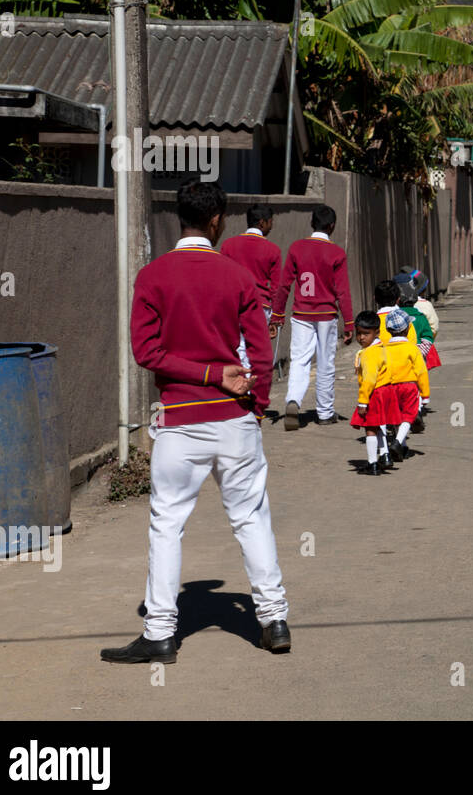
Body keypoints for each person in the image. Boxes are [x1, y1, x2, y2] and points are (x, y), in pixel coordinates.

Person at [103, 180, 288, 664]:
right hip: (234, 420)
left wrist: (201, 374)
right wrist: (258, 402)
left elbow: (147, 353)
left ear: (178, 218)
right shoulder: (237, 276)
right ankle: (273, 620)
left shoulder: (153, 276)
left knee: (167, 525)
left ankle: (161, 632)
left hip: (179, 422)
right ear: (216, 220)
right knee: (251, 518)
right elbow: (261, 351)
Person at [272, 205, 354, 430]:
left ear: (312, 223)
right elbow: (343, 291)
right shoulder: (336, 253)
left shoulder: (297, 248)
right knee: (326, 362)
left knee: (299, 359)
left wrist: (277, 314)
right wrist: (349, 322)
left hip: (301, 313)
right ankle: (325, 412)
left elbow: (284, 284)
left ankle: (293, 400)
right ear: (332, 226)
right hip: (326, 314)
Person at [222, 204, 283, 370]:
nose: (272, 226)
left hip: (233, 304)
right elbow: (276, 287)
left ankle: (240, 384)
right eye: (271, 222)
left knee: (238, 347)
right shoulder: (273, 250)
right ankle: (250, 386)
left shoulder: (228, 246)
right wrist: (277, 317)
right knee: (256, 349)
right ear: (262, 223)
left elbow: (221, 278)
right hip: (259, 306)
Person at [376, 307, 430, 464]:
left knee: (395, 417)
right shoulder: (412, 349)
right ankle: (398, 442)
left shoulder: (383, 350)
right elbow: (421, 372)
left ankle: (399, 447)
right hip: (408, 386)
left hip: (389, 387)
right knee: (409, 415)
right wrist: (425, 395)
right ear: (407, 329)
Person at [350, 311, 393, 475]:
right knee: (379, 425)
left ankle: (372, 463)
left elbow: (369, 379)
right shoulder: (380, 348)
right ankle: (385, 454)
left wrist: (363, 401)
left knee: (370, 429)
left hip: (374, 393)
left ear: (377, 332)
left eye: (366, 334)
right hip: (385, 390)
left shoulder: (368, 354)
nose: (361, 337)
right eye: (359, 333)